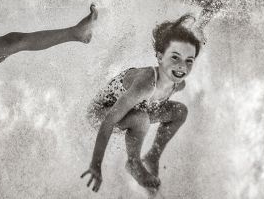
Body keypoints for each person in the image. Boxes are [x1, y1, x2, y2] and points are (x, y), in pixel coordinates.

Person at [81, 14, 200, 192]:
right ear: (160, 57)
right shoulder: (145, 84)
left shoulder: (177, 83)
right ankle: (134, 163)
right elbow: (109, 121)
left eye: (189, 60)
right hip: (100, 114)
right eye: (175, 58)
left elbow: (194, 48)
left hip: (136, 112)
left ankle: (152, 156)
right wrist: (96, 164)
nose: (182, 66)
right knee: (141, 119)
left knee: (180, 111)